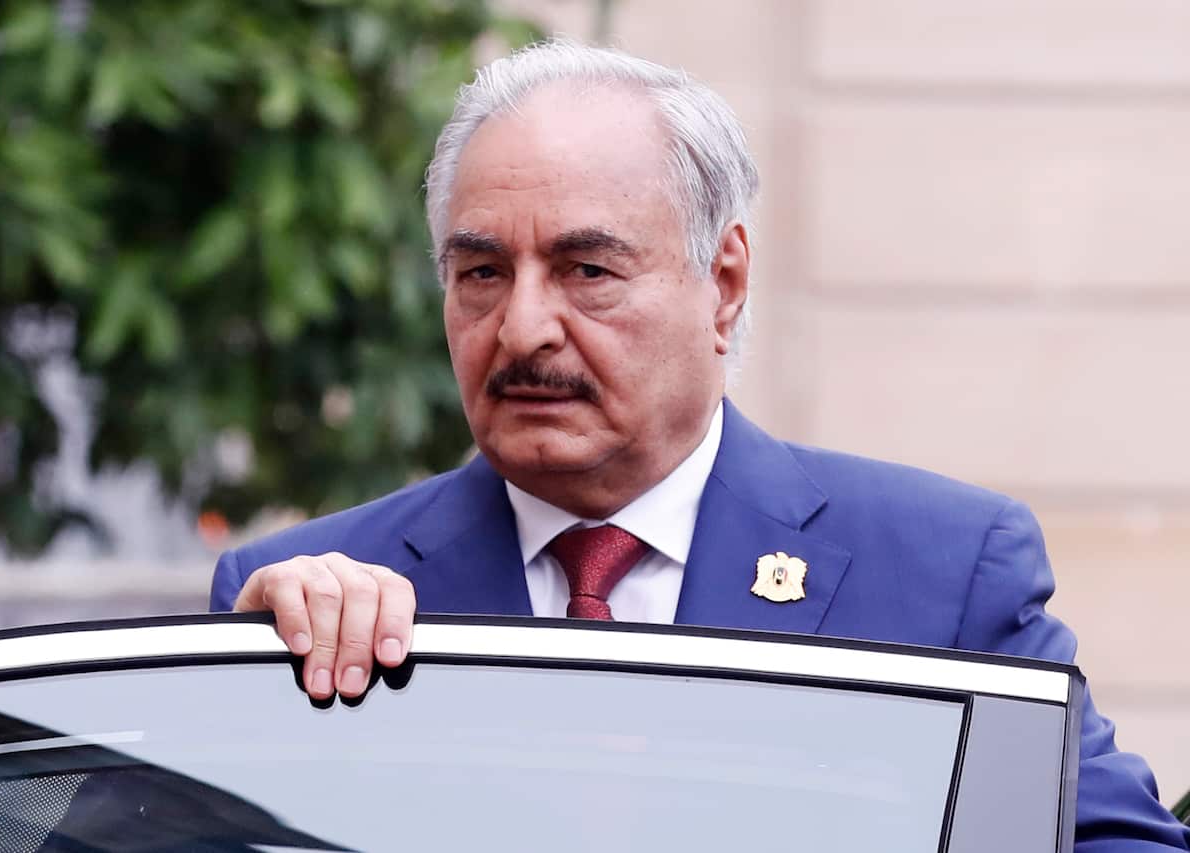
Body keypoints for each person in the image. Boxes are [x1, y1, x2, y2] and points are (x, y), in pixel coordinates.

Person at [209, 39, 1190, 851]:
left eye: (586, 268)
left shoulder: (938, 571)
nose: (521, 329)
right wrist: (238, 692)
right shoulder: (310, 606)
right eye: (480, 274)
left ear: (720, 284)